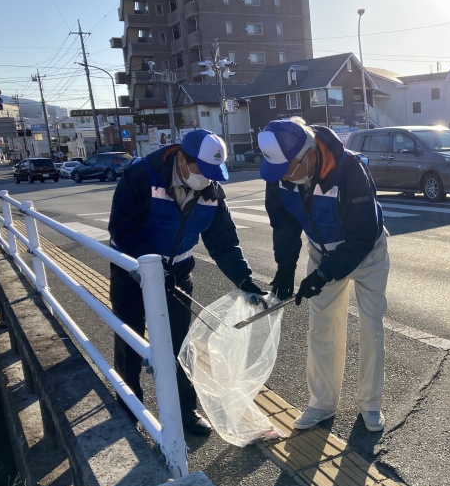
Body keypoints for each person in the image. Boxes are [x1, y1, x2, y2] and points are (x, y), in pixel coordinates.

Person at [108, 129, 265, 435]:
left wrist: (245, 279)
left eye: (211, 174)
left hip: (178, 272)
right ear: (182, 157)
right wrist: (151, 266)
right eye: (200, 170)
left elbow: (223, 241)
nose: (204, 179)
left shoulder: (212, 191)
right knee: (130, 340)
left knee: (179, 345)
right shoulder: (143, 174)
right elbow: (121, 228)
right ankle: (128, 408)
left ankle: (184, 411)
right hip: (131, 271)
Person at [258, 117, 389, 432]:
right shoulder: (279, 174)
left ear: (309, 154)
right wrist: (286, 269)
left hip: (367, 252)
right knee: (321, 329)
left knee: (371, 327)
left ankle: (370, 405)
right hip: (321, 251)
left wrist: (321, 276)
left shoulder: (349, 169)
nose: (285, 177)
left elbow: (363, 234)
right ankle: (322, 403)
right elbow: (284, 224)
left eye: (289, 168)